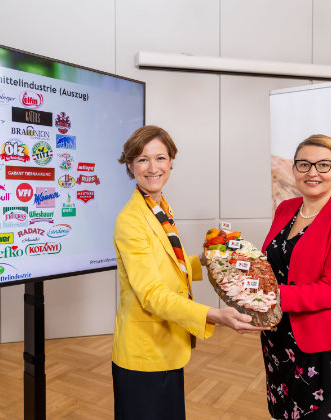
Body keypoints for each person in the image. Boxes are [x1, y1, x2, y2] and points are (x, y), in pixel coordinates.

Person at [112, 125, 265, 420]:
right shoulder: (131, 220)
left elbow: (170, 264)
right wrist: (214, 315)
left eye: (160, 158)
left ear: (171, 161)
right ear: (130, 166)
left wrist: (211, 259)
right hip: (144, 354)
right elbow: (151, 293)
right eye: (142, 159)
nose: (153, 168)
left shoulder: (158, 207)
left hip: (167, 348)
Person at [260, 134, 331, 420]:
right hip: (279, 339)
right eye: (304, 164)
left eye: (323, 165)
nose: (313, 172)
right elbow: (275, 265)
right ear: (294, 169)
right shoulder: (286, 209)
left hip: (329, 346)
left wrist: (267, 297)